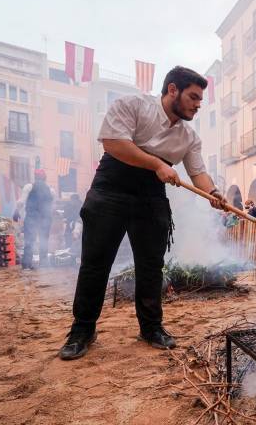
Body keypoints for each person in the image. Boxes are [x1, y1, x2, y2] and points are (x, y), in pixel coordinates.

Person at [59, 66, 226, 360]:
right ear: (172, 89)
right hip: (111, 187)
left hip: (151, 197)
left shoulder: (189, 136)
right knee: (96, 264)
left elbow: (198, 172)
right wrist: (157, 165)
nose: (198, 105)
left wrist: (212, 193)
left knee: (151, 266)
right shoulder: (133, 105)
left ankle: (151, 327)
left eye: (200, 100)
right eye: (193, 97)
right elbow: (113, 143)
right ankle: (82, 330)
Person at [22, 169, 54, 269]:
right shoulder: (51, 190)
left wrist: (16, 211)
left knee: (29, 241)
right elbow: (52, 206)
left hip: (32, 218)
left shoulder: (29, 186)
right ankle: (43, 263)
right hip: (45, 219)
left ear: (35, 177)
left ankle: (27, 265)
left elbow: (21, 202)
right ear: (45, 178)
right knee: (43, 241)